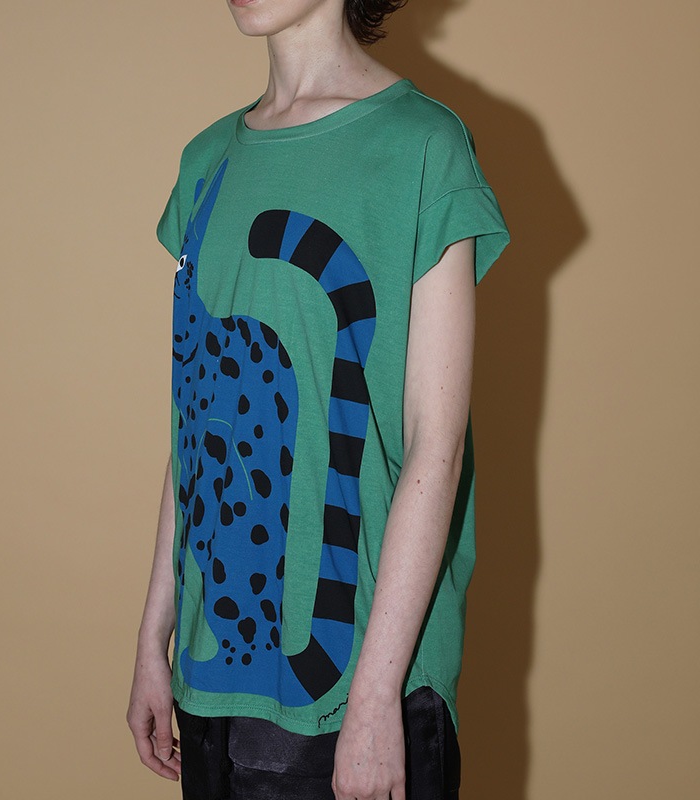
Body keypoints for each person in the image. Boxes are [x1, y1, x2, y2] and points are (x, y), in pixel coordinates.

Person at [127, 1, 510, 798]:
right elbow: (194, 427)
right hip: (213, 675)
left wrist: (373, 701)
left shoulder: (422, 147)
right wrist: (153, 637)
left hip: (359, 681)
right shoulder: (207, 161)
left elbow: (435, 448)